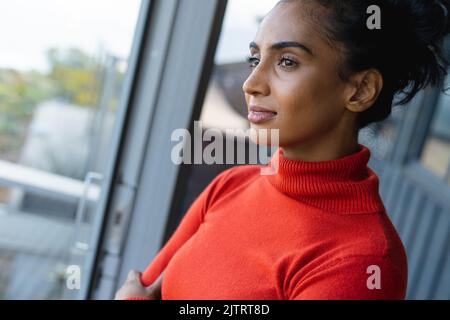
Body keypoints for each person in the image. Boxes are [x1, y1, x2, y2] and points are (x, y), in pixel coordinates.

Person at [115, 0, 450, 300]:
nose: (251, 84)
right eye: (255, 58)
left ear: (361, 90)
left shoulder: (361, 264)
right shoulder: (230, 186)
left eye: (287, 62)